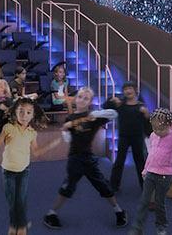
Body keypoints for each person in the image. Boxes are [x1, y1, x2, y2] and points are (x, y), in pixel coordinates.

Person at [42, 87, 126, 229]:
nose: (82, 100)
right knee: (67, 187)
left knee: (104, 186)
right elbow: (69, 140)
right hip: (74, 158)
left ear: (90, 101)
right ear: (75, 98)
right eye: (80, 97)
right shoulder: (70, 118)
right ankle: (51, 214)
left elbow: (113, 114)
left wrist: (96, 114)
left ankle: (119, 211)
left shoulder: (93, 116)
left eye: (86, 98)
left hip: (89, 159)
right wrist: (65, 129)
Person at [0, 97, 62, 235]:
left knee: (21, 201)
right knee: (12, 202)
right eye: (21, 111)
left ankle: (19, 228)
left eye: (28, 112)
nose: (24, 116)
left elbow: (36, 152)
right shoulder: (8, 128)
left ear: (33, 115)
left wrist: (50, 145)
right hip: (8, 171)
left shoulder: (32, 133)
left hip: (24, 171)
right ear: (15, 113)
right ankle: (17, 223)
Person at [128, 109, 172, 235]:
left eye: (161, 129)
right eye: (155, 129)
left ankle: (161, 227)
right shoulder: (153, 136)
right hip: (151, 172)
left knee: (160, 203)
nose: (158, 132)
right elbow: (151, 154)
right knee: (144, 201)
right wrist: (145, 170)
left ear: (169, 125)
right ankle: (137, 228)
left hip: (166, 174)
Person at [104, 82, 150, 192]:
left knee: (140, 162)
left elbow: (147, 126)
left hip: (137, 137)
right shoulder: (120, 105)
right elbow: (104, 106)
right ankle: (114, 185)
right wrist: (112, 100)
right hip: (124, 137)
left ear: (135, 90)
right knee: (119, 161)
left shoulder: (141, 107)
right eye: (125, 89)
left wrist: (147, 115)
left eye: (130, 88)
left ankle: (145, 186)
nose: (127, 91)